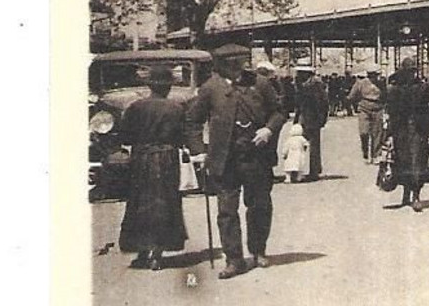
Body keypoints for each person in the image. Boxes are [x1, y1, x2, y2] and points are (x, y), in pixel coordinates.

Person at [187, 46, 285, 279]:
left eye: (240, 64)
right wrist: (199, 151)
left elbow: (279, 112)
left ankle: (258, 251)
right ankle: (234, 259)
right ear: (221, 66)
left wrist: (268, 130)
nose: (238, 71)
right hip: (225, 159)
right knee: (227, 211)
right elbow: (192, 121)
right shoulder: (210, 88)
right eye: (232, 66)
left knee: (259, 206)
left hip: (256, 157)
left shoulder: (260, 84)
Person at [117, 65, 195, 271]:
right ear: (168, 87)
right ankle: (157, 254)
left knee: (139, 202)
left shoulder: (135, 107)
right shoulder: (177, 108)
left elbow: (125, 136)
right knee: (165, 203)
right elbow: (182, 137)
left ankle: (142, 250)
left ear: (149, 86)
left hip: (141, 159)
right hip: (167, 159)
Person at [384, 57, 429, 212]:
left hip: (417, 129)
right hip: (400, 129)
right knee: (401, 160)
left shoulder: (422, 87)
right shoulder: (394, 88)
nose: (411, 74)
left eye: (413, 70)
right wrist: (389, 132)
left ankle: (416, 196)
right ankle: (406, 193)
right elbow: (391, 111)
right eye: (409, 70)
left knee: (417, 161)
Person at [294, 63, 328, 181]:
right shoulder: (301, 84)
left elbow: (323, 103)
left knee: (313, 146)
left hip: (313, 118)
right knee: (299, 144)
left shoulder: (315, 84)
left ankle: (314, 170)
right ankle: (299, 170)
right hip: (304, 116)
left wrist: (322, 118)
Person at [348, 66, 385, 161]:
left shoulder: (381, 84)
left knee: (377, 133)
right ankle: (365, 151)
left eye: (375, 75)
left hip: (378, 108)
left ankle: (375, 154)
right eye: (371, 75)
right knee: (364, 132)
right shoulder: (360, 83)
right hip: (364, 108)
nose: (374, 77)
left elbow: (386, 96)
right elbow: (352, 95)